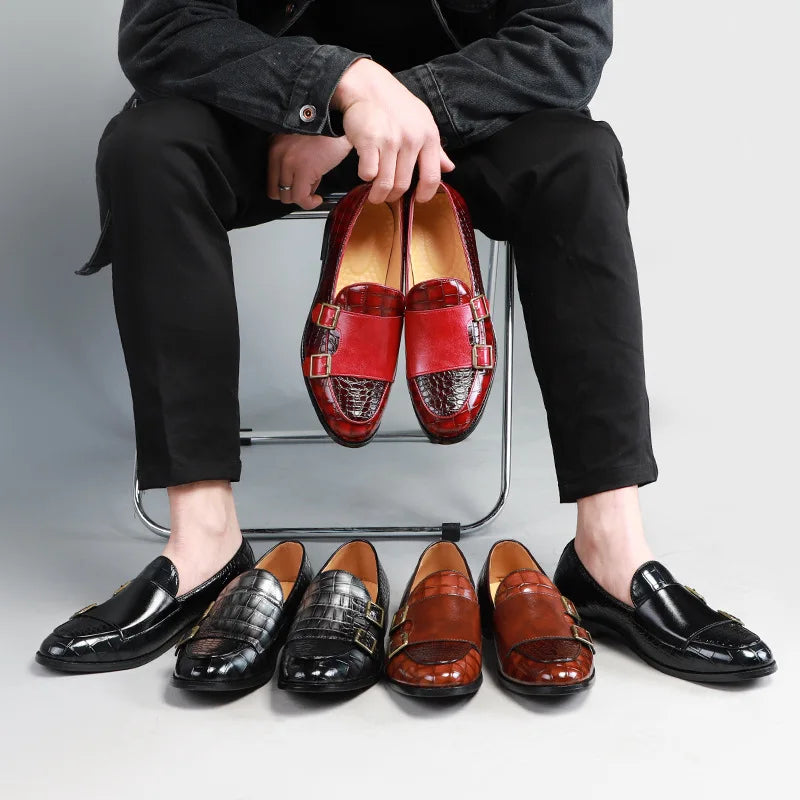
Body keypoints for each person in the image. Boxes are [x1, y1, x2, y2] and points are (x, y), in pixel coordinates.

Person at [36, 0, 775, 682]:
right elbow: (164, 28)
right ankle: (203, 540)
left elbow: (566, 40)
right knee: (147, 147)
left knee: (577, 157)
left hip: (470, 114)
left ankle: (610, 548)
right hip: (267, 116)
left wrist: (393, 109)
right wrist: (338, 88)